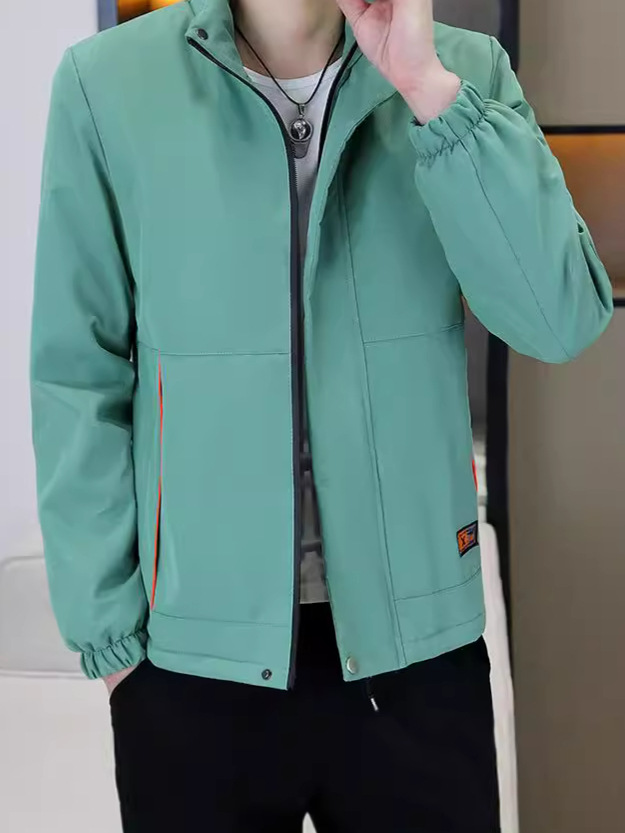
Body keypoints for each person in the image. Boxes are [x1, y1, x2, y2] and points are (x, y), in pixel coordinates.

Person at [30, 0, 613, 830]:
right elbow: (75, 374)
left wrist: (426, 88)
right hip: (191, 663)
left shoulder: (463, 72)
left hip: (415, 659)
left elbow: (558, 319)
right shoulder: (109, 84)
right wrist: (115, 642)